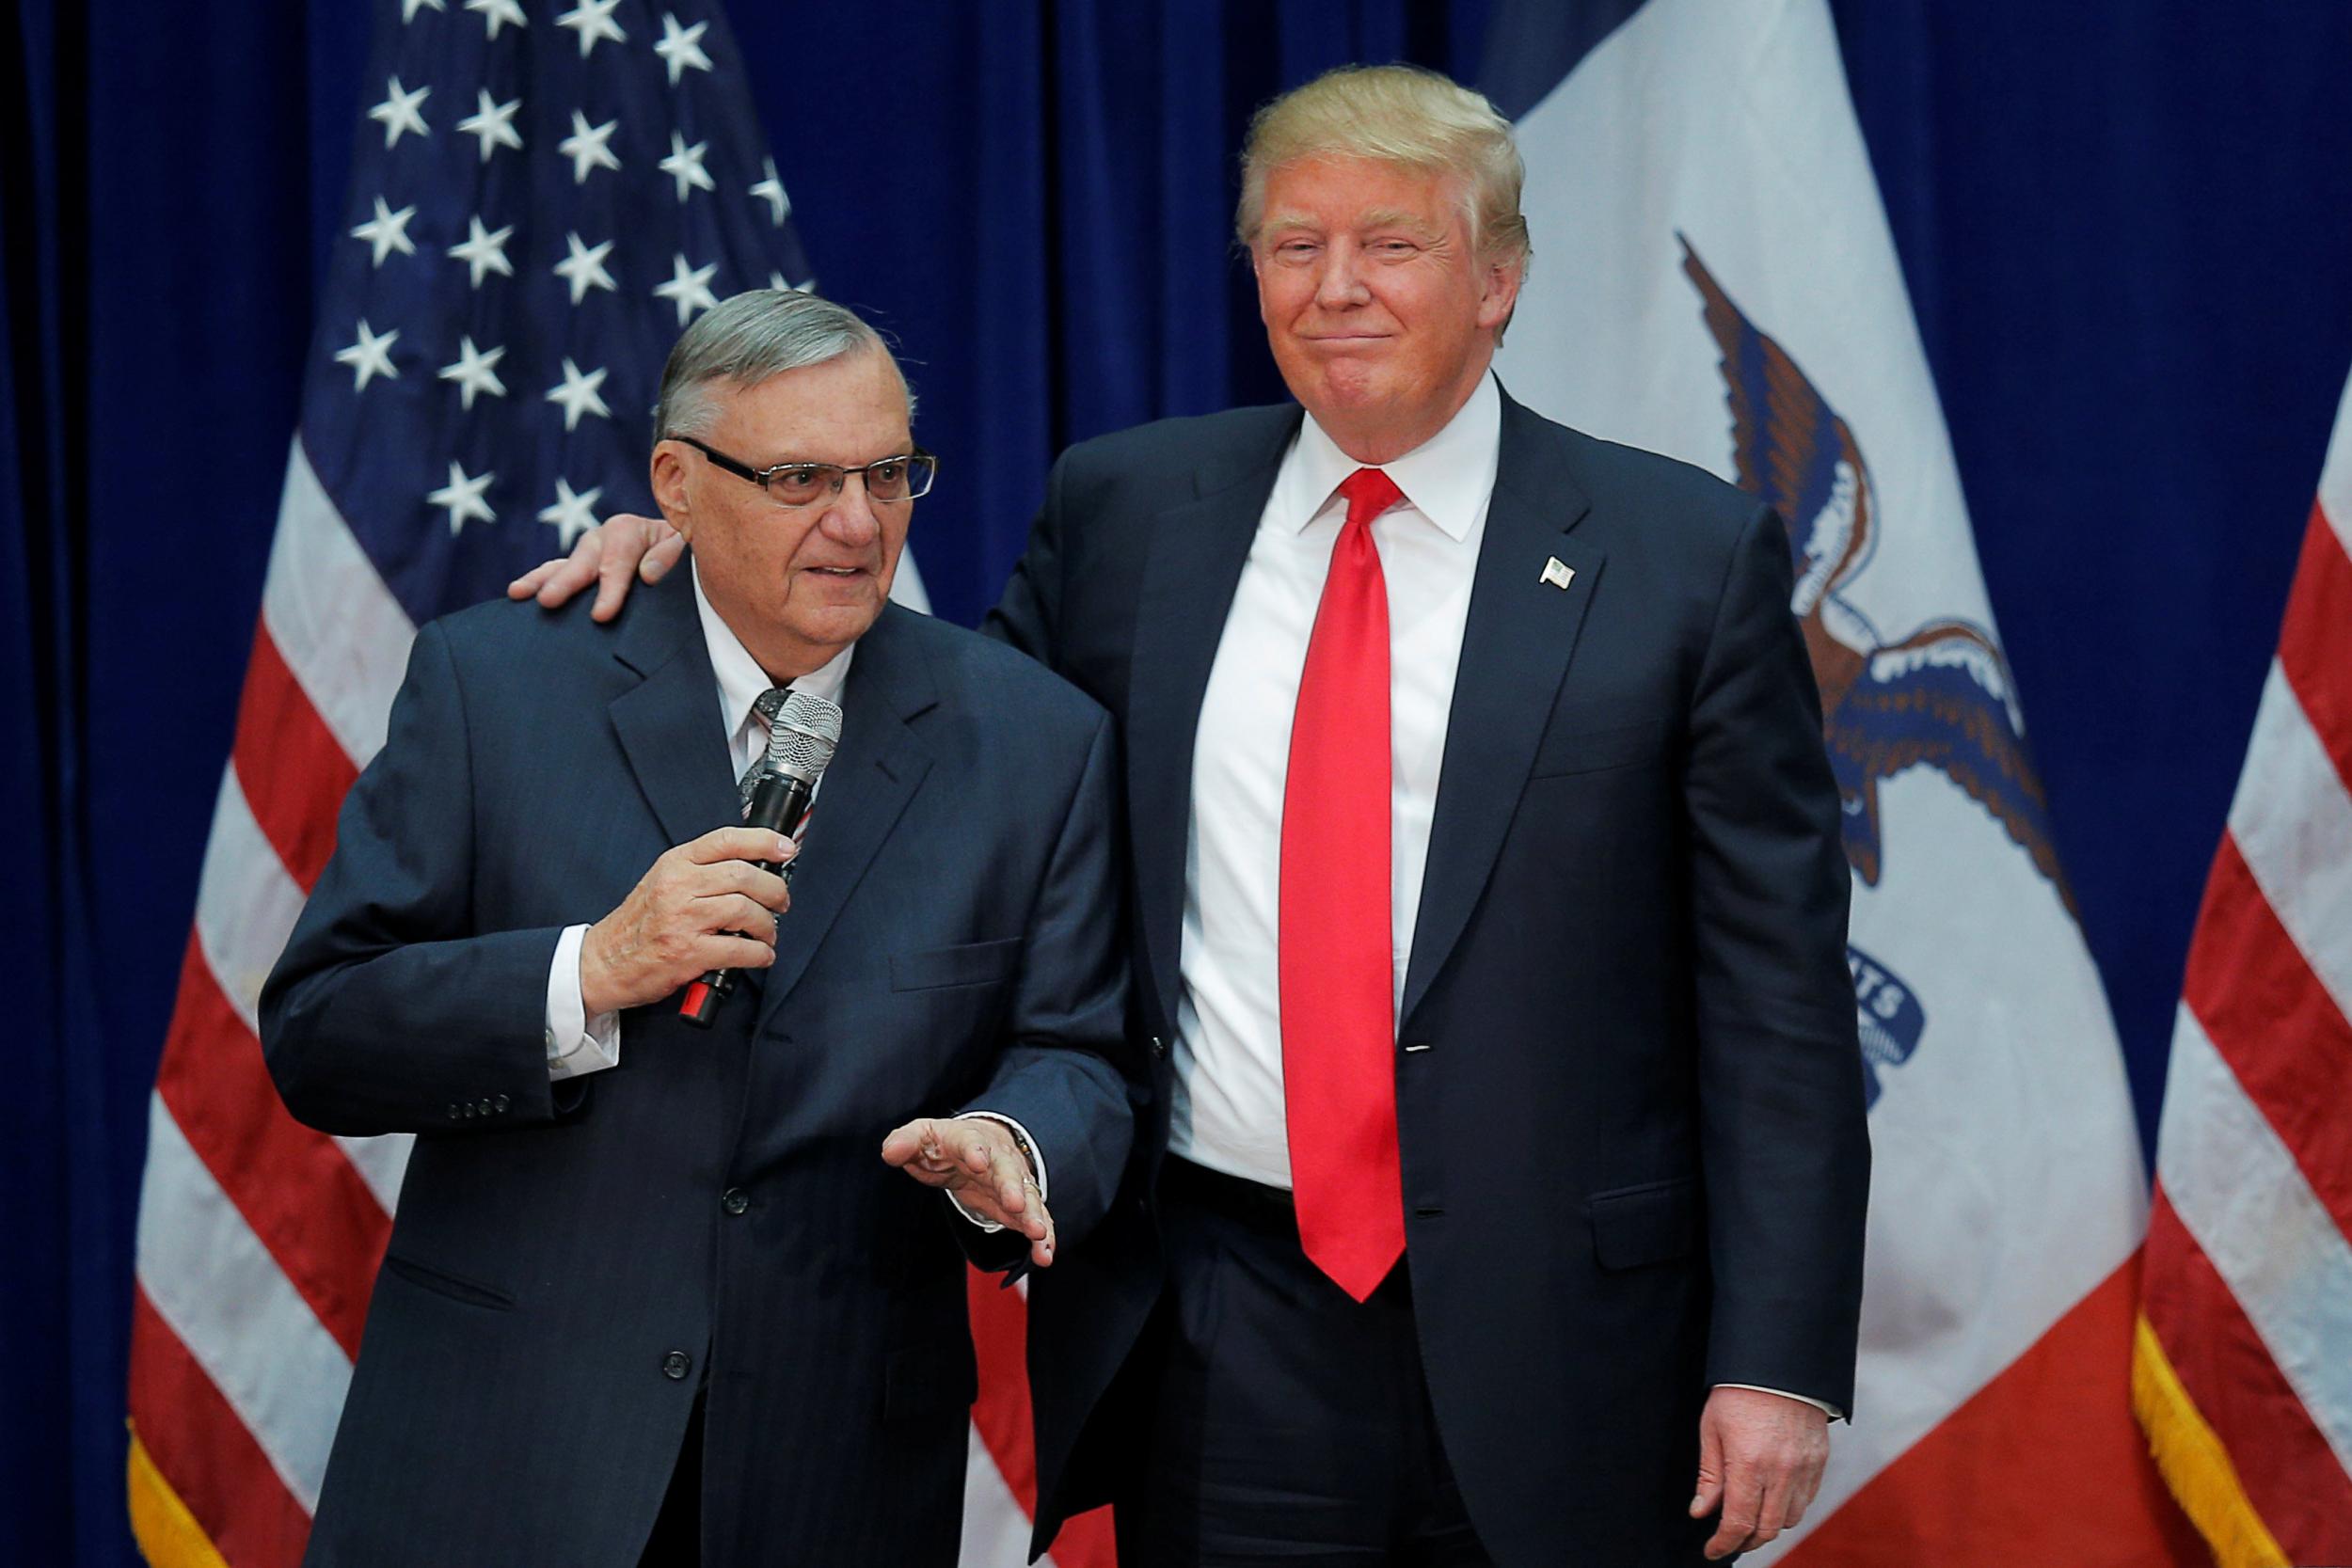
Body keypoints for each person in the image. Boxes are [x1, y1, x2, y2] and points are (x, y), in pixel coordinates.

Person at [520, 65, 1869, 1567]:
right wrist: (718, 555)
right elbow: (922, 757)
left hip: (1581, 1337)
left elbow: (1778, 1003)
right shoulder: (1125, 512)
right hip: (1222, 1319)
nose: (1337, 286)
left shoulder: (1682, 556)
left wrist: (1776, 1359)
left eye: (1392, 244)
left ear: (1500, 278)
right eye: (1296, 246)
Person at [263, 291, 1135, 1568]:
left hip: (833, 1472)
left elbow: (1085, 1053)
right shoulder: (494, 686)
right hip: (507, 1453)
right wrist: (591, 970)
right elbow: (320, 1033)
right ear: (677, 482)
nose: (857, 523)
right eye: (800, 478)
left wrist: (1014, 1141)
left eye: (890, 473)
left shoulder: (1033, 742)